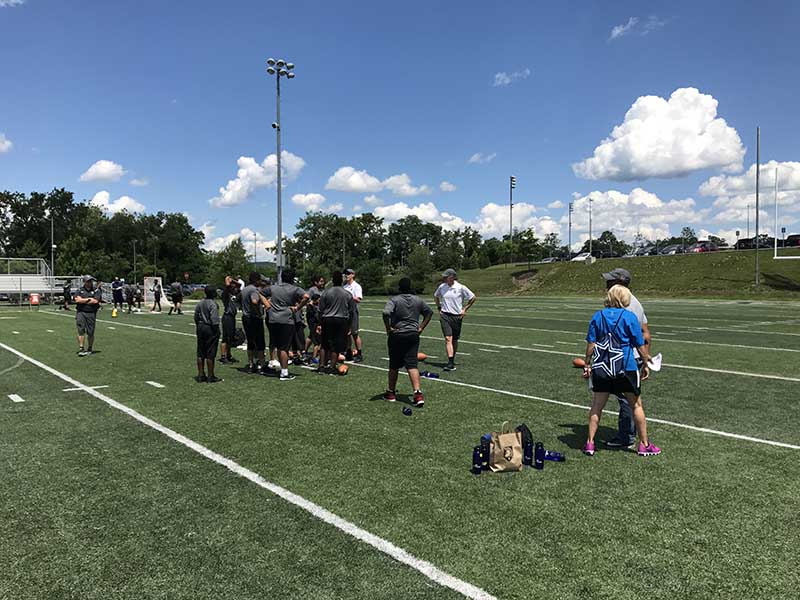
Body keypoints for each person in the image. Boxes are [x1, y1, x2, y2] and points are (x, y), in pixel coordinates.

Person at [582, 284, 661, 457]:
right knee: (636, 405)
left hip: (602, 367)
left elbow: (591, 345)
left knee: (597, 406)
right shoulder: (630, 317)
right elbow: (639, 344)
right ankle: (644, 444)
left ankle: (590, 443)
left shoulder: (597, 316)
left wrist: (588, 364)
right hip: (625, 367)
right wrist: (646, 363)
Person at [601, 268, 652, 449]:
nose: (606, 285)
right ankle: (632, 434)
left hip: (623, 358)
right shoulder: (634, 302)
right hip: (631, 357)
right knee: (630, 398)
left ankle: (626, 437)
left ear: (619, 283)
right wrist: (645, 361)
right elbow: (646, 334)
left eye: (610, 282)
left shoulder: (624, 305)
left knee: (626, 398)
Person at [382, 277, 433, 406]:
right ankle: (417, 393)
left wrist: (388, 328)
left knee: (394, 365)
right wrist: (421, 327)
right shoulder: (418, 300)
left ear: (399, 288)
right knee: (412, 364)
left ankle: (391, 392)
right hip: (413, 334)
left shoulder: (394, 300)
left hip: (397, 334)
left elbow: (386, 313)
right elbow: (429, 313)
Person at [263, 268, 309, 381]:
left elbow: (260, 293)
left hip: (273, 319)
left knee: (278, 346)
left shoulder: (274, 287)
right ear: (292, 278)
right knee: (284, 348)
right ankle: (284, 372)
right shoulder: (295, 289)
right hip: (286, 319)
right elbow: (307, 297)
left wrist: (268, 305)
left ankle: (280, 367)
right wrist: (298, 307)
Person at [433, 268, 476, 371]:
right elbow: (436, 296)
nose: (444, 278)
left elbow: (473, 297)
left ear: (452, 277)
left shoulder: (461, 287)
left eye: (446, 277)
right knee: (448, 338)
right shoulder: (442, 287)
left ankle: (452, 359)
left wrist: (465, 309)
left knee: (455, 340)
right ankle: (450, 362)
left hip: (457, 316)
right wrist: (439, 307)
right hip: (445, 315)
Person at [317, 270, 355, 375]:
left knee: (324, 344)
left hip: (327, 319)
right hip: (341, 320)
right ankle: (332, 367)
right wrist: (349, 325)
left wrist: (320, 323)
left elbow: (320, 310)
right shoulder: (347, 294)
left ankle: (321, 366)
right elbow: (351, 311)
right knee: (336, 345)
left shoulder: (326, 293)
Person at [240, 271, 270, 373]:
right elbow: (254, 301)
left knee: (250, 341)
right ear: (257, 280)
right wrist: (258, 312)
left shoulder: (245, 289)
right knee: (260, 342)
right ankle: (262, 364)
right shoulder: (253, 290)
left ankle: (251, 363)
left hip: (245, 317)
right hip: (253, 318)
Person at [194, 286, 223, 383]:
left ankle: (201, 374)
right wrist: (217, 331)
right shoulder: (213, 304)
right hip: (209, 328)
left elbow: (196, 316)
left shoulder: (200, 303)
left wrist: (199, 325)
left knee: (200, 352)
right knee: (210, 352)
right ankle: (210, 376)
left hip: (200, 327)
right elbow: (214, 320)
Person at [74, 275, 102, 356]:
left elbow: (95, 301)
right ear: (85, 282)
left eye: (91, 281)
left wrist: (83, 300)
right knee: (81, 330)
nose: (90, 283)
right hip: (81, 312)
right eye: (88, 281)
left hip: (91, 313)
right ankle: (81, 348)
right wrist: (89, 299)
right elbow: (77, 300)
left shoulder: (96, 290)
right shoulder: (79, 290)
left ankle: (90, 347)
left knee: (90, 332)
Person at [343, 268, 364, 362]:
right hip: (345, 312)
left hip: (352, 311)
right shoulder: (344, 286)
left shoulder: (356, 286)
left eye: (348, 274)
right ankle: (348, 352)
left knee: (354, 333)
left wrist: (350, 297)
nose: (346, 275)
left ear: (353, 275)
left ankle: (359, 353)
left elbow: (359, 299)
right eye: (345, 274)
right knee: (346, 333)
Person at [305, 274, 326, 363]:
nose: (322, 283)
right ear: (316, 282)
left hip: (320, 315)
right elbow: (306, 299)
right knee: (316, 337)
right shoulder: (312, 290)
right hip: (313, 316)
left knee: (311, 335)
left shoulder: (324, 290)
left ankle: (304, 350)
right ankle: (313, 355)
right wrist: (313, 304)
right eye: (320, 281)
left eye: (323, 281)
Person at [220, 276, 240, 364]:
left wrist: (234, 280)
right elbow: (227, 286)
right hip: (227, 316)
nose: (234, 287)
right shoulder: (225, 294)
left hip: (232, 317)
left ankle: (228, 355)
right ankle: (223, 357)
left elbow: (239, 285)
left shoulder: (234, 294)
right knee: (225, 337)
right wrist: (227, 280)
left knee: (230, 338)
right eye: (232, 285)